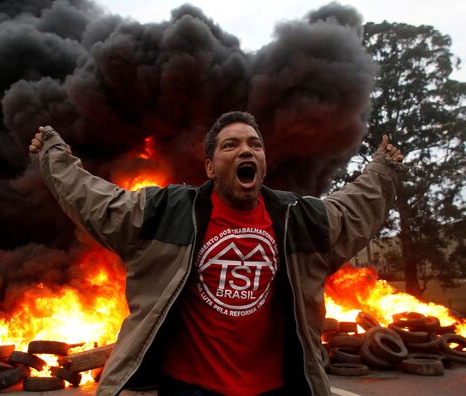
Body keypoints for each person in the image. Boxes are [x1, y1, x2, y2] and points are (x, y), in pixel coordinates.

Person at [29, 111, 405, 396]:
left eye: (254, 145)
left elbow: (350, 213)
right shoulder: (170, 212)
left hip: (273, 388)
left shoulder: (295, 219)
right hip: (188, 386)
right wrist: (54, 155)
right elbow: (102, 204)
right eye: (231, 145)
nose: (246, 150)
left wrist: (382, 170)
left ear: (262, 162)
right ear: (209, 166)